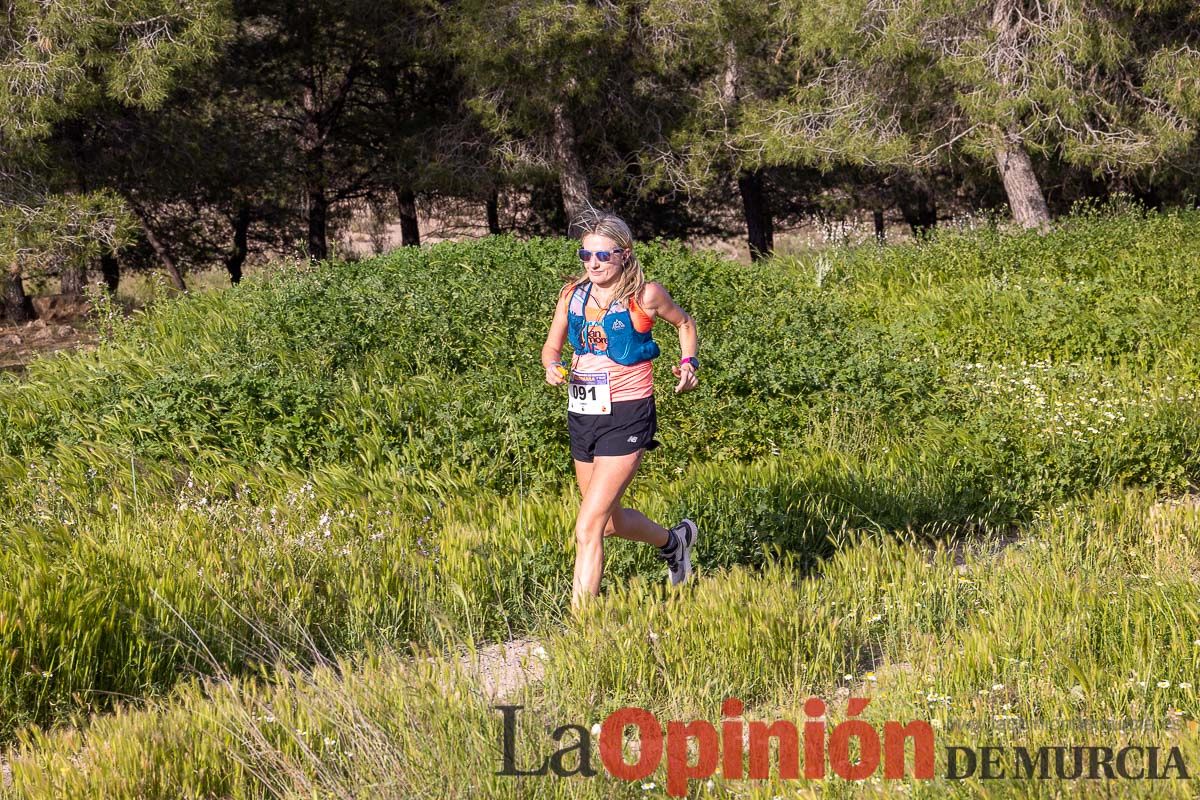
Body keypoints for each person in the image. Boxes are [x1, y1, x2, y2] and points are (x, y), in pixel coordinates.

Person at [541, 209, 700, 610]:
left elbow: (684, 324)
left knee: (586, 525)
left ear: (624, 255)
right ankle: (674, 541)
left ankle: (581, 627)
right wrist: (551, 367)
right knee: (607, 523)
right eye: (585, 256)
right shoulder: (572, 295)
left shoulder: (645, 295)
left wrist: (688, 363)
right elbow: (551, 347)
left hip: (628, 412)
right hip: (584, 413)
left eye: (603, 256)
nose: (593, 264)